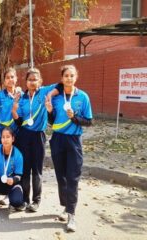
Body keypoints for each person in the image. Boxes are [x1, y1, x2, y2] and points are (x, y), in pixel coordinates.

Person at [46, 65, 92, 232]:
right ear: (62, 78)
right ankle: (66, 207)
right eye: (66, 75)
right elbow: (52, 122)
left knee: (72, 177)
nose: (69, 78)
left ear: (76, 77)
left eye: (72, 75)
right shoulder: (57, 98)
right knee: (61, 177)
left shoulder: (83, 97)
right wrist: (50, 112)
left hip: (74, 141)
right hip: (57, 139)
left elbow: (89, 121)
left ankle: (72, 214)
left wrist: (75, 118)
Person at [12, 68, 60, 212]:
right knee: (25, 170)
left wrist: (50, 94)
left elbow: (60, 86)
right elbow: (19, 122)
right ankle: (25, 200)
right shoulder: (22, 98)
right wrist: (14, 111)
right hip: (24, 135)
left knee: (37, 170)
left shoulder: (44, 92)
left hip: (39, 136)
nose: (32, 82)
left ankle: (36, 200)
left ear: (40, 81)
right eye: (30, 80)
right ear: (26, 82)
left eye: (35, 79)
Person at [0, 127, 25, 215]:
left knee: (17, 201)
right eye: (3, 137)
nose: (5, 139)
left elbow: (19, 175)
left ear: (13, 139)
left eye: (8, 137)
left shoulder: (18, 154)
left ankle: (12, 202)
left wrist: (13, 180)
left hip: (10, 184)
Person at [0, 68, 21, 136]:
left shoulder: (21, 95)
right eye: (7, 78)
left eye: (12, 77)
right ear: (4, 81)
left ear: (16, 79)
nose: (10, 79)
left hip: (18, 131)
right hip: (3, 132)